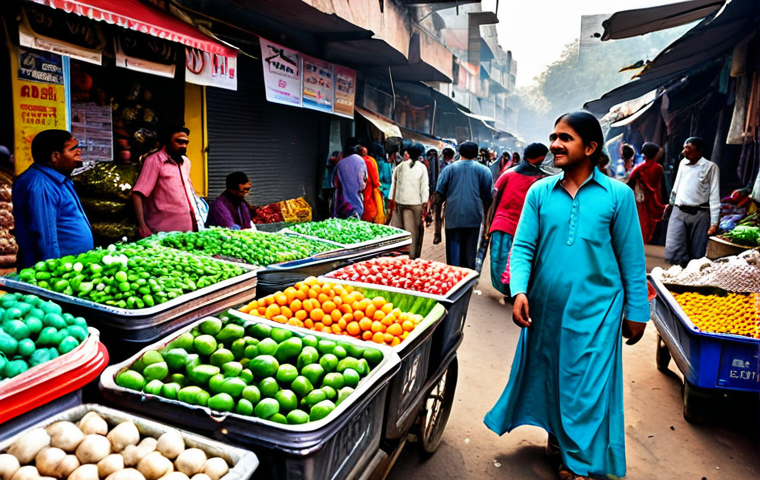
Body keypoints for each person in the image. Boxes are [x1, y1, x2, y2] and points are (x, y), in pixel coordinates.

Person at [484, 111, 649, 480]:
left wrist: (637, 310)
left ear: (590, 148)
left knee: (585, 384)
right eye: (554, 136)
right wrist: (520, 290)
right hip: (546, 308)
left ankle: (577, 463)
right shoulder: (540, 192)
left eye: (565, 138)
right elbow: (524, 246)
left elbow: (632, 260)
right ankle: (559, 437)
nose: (555, 144)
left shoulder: (618, 197)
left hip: (599, 311)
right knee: (553, 376)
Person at [13, 130, 93, 269]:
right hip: (55, 271)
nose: (79, 152)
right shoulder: (41, 185)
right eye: (72, 149)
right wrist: (54, 274)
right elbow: (45, 238)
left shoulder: (60, 179)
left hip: (71, 269)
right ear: (55, 156)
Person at [485, 143, 548, 301]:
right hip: (510, 226)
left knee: (503, 262)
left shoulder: (511, 174)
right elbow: (494, 200)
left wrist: (489, 225)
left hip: (516, 228)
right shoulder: (542, 180)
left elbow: (493, 200)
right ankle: (513, 292)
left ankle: (512, 292)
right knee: (514, 263)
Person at [132, 124, 201, 237]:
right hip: (162, 232)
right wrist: (142, 225)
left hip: (187, 231)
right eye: (179, 142)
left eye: (186, 143)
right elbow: (137, 194)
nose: (184, 146)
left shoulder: (185, 162)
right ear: (168, 141)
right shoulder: (154, 161)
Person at [432, 141, 493, 269]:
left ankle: (454, 281)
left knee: (453, 252)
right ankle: (466, 284)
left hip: (452, 215)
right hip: (473, 217)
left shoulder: (449, 169)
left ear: (459, 153)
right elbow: (487, 197)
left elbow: (438, 195)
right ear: (476, 154)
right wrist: (487, 222)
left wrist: (437, 225)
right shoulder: (484, 171)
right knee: (469, 253)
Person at [664, 137, 720, 266]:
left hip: (700, 213)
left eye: (688, 148)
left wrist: (714, 223)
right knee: (675, 250)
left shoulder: (710, 167)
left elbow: (714, 196)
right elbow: (677, 185)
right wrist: (671, 204)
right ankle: (676, 277)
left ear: (699, 151)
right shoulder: (683, 163)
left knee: (697, 253)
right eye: (684, 147)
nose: (684, 151)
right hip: (679, 210)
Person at [389, 142, 429, 258]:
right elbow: (424, 187)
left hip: (400, 202)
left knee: (399, 231)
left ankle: (399, 256)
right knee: (414, 232)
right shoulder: (422, 168)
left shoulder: (400, 167)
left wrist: (392, 201)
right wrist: (425, 204)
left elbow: (394, 185)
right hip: (415, 203)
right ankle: (412, 256)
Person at [628, 142, 665, 244]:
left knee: (640, 223)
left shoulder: (639, 168)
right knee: (650, 225)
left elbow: (630, 183)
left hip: (641, 200)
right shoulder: (658, 168)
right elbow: (658, 187)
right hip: (654, 200)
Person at [332, 138, 368, 219]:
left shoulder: (340, 163)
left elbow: (334, 182)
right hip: (355, 202)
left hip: (341, 203)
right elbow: (362, 183)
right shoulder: (360, 161)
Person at [358, 145, 384, 223]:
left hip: (367, 188)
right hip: (371, 188)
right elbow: (375, 179)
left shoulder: (365, 160)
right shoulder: (370, 160)